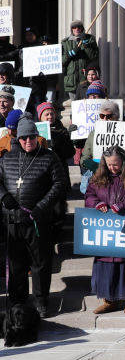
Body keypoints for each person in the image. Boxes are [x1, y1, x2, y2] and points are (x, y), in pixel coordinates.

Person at [0, 115, 68, 317]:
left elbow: (60, 183)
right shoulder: (7, 158)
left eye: (31, 137)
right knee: (16, 263)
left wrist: (43, 206)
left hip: (37, 219)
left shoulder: (48, 157)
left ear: (37, 137)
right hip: (13, 218)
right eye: (23, 138)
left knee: (40, 263)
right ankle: (18, 300)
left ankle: (40, 299)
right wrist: (4, 196)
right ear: (17, 139)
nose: (28, 142)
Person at [85, 147, 125, 315]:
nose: (112, 167)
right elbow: (89, 195)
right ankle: (109, 300)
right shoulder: (98, 177)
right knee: (106, 264)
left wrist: (123, 204)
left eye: (115, 164)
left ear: (123, 161)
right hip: (106, 229)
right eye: (109, 164)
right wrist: (96, 203)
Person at [61, 19, 99, 100]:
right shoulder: (65, 42)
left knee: (86, 104)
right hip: (72, 80)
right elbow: (61, 62)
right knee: (74, 106)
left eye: (79, 27)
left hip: (85, 80)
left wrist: (86, 44)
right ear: (71, 29)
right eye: (74, 27)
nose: (77, 29)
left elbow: (94, 57)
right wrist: (70, 54)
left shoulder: (90, 39)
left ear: (82, 28)